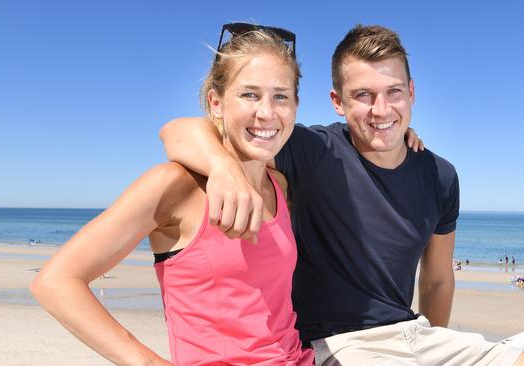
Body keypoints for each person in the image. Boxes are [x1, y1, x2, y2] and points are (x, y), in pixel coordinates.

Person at [161, 24, 524, 365]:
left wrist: (432, 347)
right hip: (339, 344)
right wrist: (222, 167)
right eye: (363, 95)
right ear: (337, 102)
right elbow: (178, 131)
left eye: (393, 92)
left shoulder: (441, 175)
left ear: (412, 92)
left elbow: (438, 280)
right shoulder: (314, 151)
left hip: (417, 336)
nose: (381, 109)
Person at [31, 23, 315, 365]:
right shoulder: (176, 186)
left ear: (296, 106)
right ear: (216, 103)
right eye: (249, 94)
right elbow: (56, 282)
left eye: (280, 96)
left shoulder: (279, 186)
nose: (266, 112)